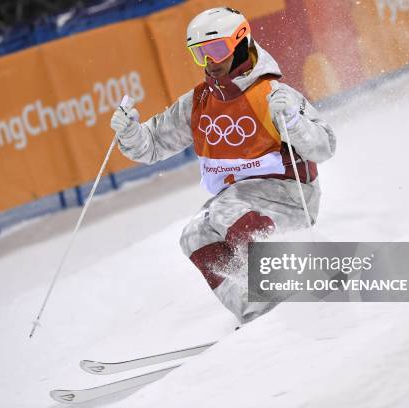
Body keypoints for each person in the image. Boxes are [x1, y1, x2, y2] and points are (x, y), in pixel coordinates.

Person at [110, 7, 336, 323]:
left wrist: (295, 122)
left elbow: (325, 146)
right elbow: (153, 146)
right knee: (194, 235)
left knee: (224, 208)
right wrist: (131, 133)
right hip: (244, 203)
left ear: (240, 42)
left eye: (216, 50)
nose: (209, 62)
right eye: (199, 54)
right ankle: (255, 309)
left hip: (288, 197)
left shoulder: (272, 94)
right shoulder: (200, 102)